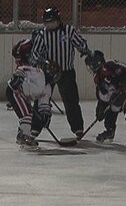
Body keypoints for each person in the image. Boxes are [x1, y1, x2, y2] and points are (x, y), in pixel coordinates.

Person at [29, 7, 92, 139]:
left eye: (52, 22)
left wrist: (85, 51)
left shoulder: (68, 31)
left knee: (71, 101)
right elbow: (35, 54)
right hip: (47, 73)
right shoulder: (42, 34)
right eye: (47, 23)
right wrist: (40, 61)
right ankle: (35, 128)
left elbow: (80, 43)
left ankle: (77, 128)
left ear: (58, 20)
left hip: (66, 72)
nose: (49, 25)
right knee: (41, 100)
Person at [83, 49, 126, 145]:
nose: (89, 68)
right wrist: (100, 109)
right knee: (111, 108)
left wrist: (125, 86)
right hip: (119, 93)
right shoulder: (98, 77)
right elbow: (102, 95)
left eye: (90, 64)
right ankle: (110, 130)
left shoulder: (111, 65)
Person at [6, 58, 62, 150]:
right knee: (27, 115)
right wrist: (18, 77)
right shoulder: (38, 73)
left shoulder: (47, 88)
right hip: (15, 91)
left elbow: (43, 104)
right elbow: (23, 69)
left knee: (27, 115)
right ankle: (24, 136)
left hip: (23, 96)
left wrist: (45, 115)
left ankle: (23, 134)